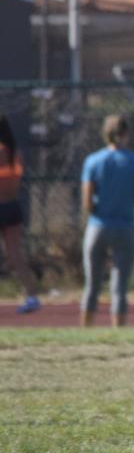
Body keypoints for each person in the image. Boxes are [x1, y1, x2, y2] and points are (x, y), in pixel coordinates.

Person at [80, 115, 134, 327]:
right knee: (119, 287)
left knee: (92, 284)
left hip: (98, 226)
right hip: (125, 226)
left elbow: (87, 201)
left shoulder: (93, 161)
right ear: (126, 134)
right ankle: (118, 331)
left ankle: (86, 331)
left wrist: (100, 209)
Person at [0, 114, 42, 313]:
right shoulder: (15, 153)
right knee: (16, 255)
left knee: (14, 255)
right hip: (13, 206)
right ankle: (32, 295)